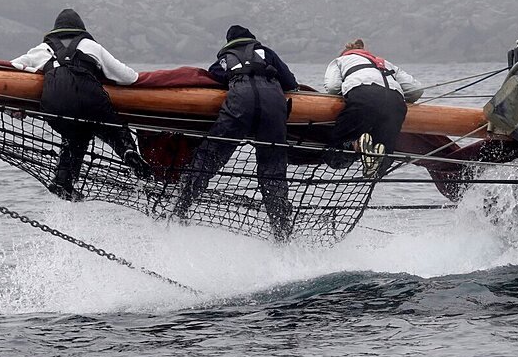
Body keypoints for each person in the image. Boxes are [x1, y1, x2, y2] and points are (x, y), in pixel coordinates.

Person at [173, 25, 298, 241]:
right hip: (274, 107)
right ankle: (281, 232)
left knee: (210, 155)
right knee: (273, 170)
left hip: (240, 105)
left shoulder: (225, 58)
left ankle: (180, 209)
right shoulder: (266, 53)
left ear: (228, 43)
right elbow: (290, 82)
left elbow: (214, 78)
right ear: (252, 39)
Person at [11, 8, 150, 199]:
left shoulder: (41, 50)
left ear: (55, 31)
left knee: (74, 136)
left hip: (55, 102)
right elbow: (129, 77)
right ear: (81, 30)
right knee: (112, 127)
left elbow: (12, 69)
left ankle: (63, 182)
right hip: (90, 98)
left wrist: (18, 105)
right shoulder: (91, 46)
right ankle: (127, 151)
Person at [323, 38, 424, 177]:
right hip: (396, 104)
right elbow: (415, 90)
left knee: (335, 153)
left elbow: (333, 87)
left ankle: (356, 144)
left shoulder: (339, 61)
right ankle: (375, 155)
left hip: (364, 98)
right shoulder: (385, 63)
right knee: (384, 157)